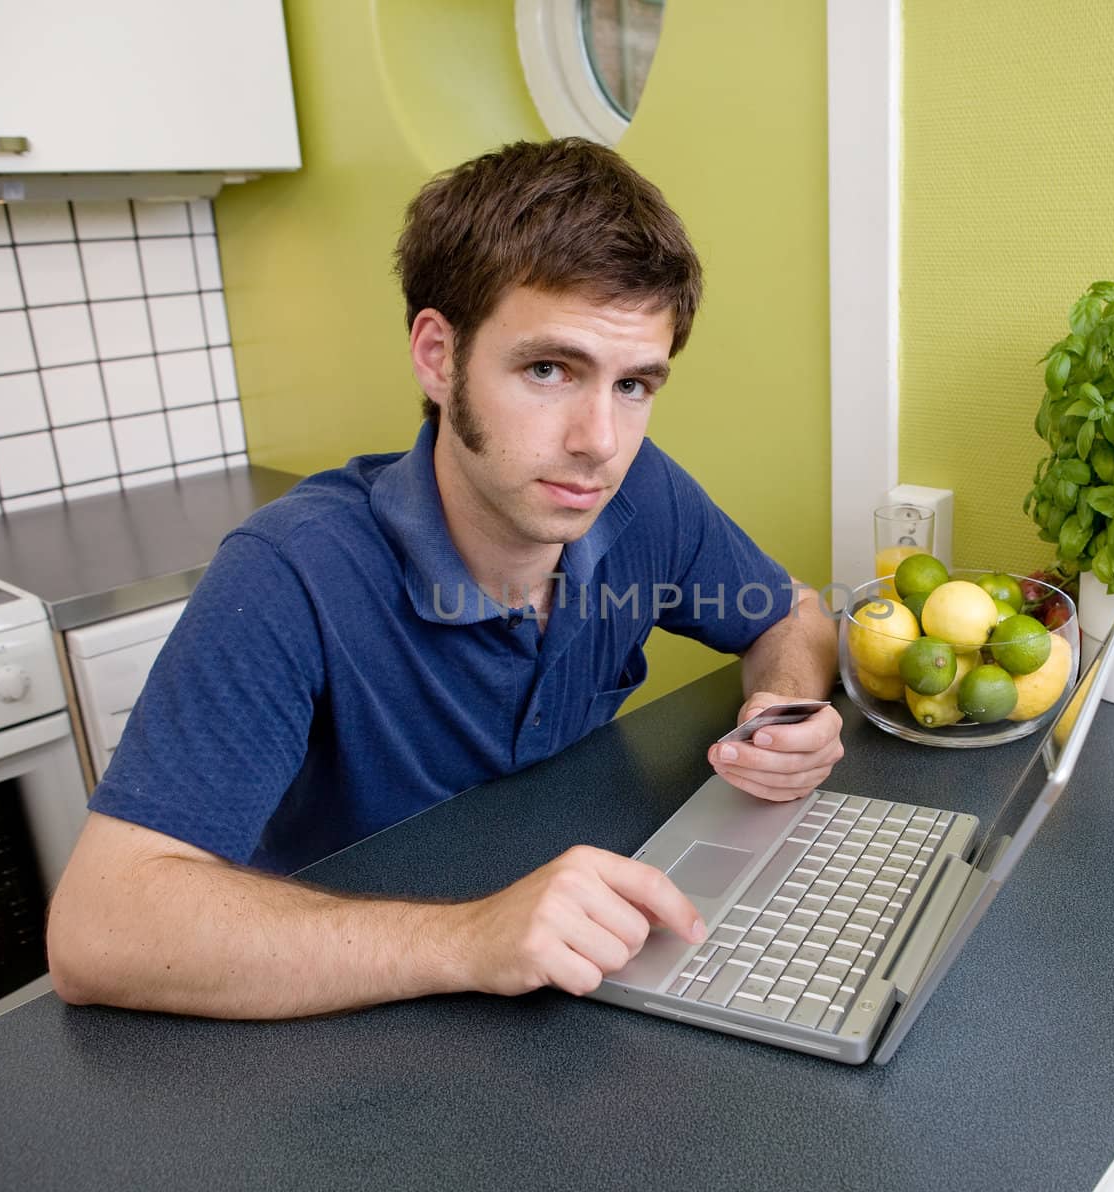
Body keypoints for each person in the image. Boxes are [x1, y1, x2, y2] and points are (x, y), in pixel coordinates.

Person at [46, 138, 843, 1019]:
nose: (600, 441)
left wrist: (783, 708)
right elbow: (99, 930)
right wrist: (470, 939)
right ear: (437, 355)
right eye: (549, 369)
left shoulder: (643, 494)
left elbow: (792, 615)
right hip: (333, 1028)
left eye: (633, 385)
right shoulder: (290, 573)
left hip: (562, 978)